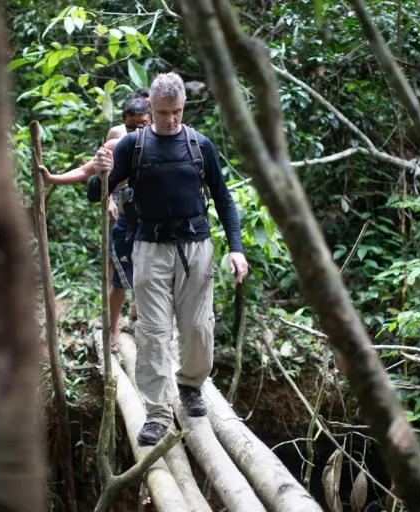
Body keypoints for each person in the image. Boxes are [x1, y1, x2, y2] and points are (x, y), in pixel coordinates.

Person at [87, 72, 248, 446]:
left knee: (196, 327)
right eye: (162, 113)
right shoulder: (133, 146)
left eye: (176, 112)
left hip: (196, 246)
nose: (170, 120)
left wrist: (236, 248)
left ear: (183, 108)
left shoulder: (199, 145)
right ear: (151, 108)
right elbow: (98, 193)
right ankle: (158, 412)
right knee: (154, 331)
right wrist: (101, 172)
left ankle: (190, 385)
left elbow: (223, 199)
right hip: (149, 246)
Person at [38, 95, 152, 351]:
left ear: (152, 119)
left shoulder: (164, 142)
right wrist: (52, 178)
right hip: (127, 223)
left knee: (152, 280)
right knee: (120, 281)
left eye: (142, 124)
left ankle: (145, 329)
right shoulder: (115, 144)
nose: (137, 130)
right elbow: (85, 172)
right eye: (132, 125)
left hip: (155, 227)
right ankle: (111, 332)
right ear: (124, 124)